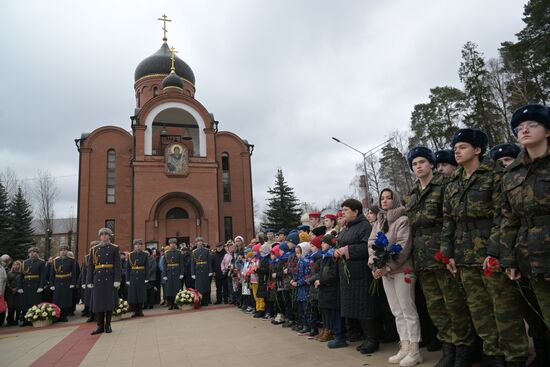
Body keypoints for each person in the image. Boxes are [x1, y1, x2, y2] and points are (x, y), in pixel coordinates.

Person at [441, 128, 528, 367]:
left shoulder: (495, 175)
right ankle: (494, 356)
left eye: (463, 147)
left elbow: (504, 216)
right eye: (455, 148)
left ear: (477, 150)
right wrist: (447, 253)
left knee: (504, 309)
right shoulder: (453, 183)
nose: (457, 151)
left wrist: (493, 251)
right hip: (464, 256)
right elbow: (449, 221)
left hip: (492, 254)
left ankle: (515, 357)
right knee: (480, 312)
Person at [406, 146, 475, 367]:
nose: (418, 167)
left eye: (422, 162)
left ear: (431, 164)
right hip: (423, 259)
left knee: (454, 305)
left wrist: (447, 253)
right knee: (436, 308)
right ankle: (448, 349)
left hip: (443, 255)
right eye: (415, 164)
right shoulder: (412, 194)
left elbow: (450, 221)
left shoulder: (445, 185)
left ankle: (463, 351)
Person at [500, 104, 550, 366]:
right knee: (541, 318)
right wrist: (509, 259)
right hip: (531, 257)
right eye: (519, 127)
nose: (524, 130)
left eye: (532, 125)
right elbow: (509, 220)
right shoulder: (511, 173)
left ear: (547, 130)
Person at [369, 188, 422, 366]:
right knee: (397, 311)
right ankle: (404, 346)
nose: (384, 201)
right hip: (385, 272)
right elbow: (371, 244)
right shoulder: (379, 221)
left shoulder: (402, 219)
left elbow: (403, 245)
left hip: (402, 271)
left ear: (395, 199)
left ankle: (414, 350)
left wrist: (388, 266)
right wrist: (375, 265)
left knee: (407, 309)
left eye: (388, 198)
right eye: (382, 198)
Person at [333, 198, 380, 352]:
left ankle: (372, 340)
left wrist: (346, 250)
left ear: (356, 211)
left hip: (361, 273)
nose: (343, 213)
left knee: (365, 308)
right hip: (349, 275)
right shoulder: (346, 228)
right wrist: (337, 251)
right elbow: (341, 243)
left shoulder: (364, 226)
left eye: (346, 210)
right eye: (343, 210)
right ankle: (366, 338)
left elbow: (367, 247)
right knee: (356, 309)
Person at [86, 228, 122, 335]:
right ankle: (100, 326)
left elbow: (118, 265)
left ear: (110, 236)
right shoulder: (94, 249)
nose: (104, 236)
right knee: (98, 303)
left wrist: (117, 280)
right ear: (99, 236)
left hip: (109, 278)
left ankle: (108, 325)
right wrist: (89, 280)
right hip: (98, 278)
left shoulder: (114, 248)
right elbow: (91, 266)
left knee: (108, 302)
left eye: (106, 234)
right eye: (102, 234)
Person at [18, 247, 46, 327]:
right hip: (26, 285)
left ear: (37, 253)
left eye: (34, 252)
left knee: (35, 303)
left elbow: (42, 275)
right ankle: (26, 320)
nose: (32, 254)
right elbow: (21, 276)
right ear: (28, 254)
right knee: (25, 303)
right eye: (30, 252)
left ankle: (34, 319)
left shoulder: (41, 262)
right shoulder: (24, 262)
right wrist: (19, 286)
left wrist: (41, 286)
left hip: (35, 285)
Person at [50, 244, 77, 322]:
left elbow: (74, 273)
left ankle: (64, 315)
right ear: (59, 252)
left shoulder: (71, 260)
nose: (63, 252)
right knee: (57, 299)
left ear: (67, 251)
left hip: (67, 281)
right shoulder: (55, 261)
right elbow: (52, 274)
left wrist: (73, 283)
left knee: (65, 299)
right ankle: (57, 315)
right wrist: (51, 284)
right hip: (57, 282)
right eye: (61, 250)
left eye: (65, 250)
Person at [290, 242, 311, 334]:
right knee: (300, 308)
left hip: (305, 289)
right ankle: (303, 324)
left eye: (299, 253)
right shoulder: (300, 261)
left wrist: (298, 283)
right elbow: (298, 274)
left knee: (306, 309)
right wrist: (293, 280)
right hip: (299, 289)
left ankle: (308, 326)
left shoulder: (306, 261)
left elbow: (307, 277)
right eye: (296, 253)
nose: (297, 255)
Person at [126, 239, 149, 317]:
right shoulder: (130, 255)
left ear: (142, 246)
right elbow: (128, 268)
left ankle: (140, 310)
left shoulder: (145, 255)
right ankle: (135, 311)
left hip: (141, 275)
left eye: (139, 244)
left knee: (141, 293)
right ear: (134, 246)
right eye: (136, 244)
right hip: (132, 276)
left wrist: (147, 277)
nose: (137, 246)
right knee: (133, 294)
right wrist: (127, 279)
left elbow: (147, 266)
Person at [161, 238, 184, 310]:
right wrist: (164, 275)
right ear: (169, 244)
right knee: (169, 289)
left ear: (175, 244)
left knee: (176, 289)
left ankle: (176, 304)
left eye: (174, 243)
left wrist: (181, 273)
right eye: (171, 244)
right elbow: (164, 265)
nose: (172, 245)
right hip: (169, 273)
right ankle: (171, 304)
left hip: (177, 272)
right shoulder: (166, 253)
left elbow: (181, 264)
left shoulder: (179, 252)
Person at [191, 237, 213, 306]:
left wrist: (210, 271)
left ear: (203, 242)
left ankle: (206, 301)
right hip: (198, 271)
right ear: (196, 243)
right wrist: (193, 273)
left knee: (206, 285)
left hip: (205, 270)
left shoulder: (206, 251)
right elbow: (193, 263)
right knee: (199, 287)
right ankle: (199, 300)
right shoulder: (194, 252)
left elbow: (209, 261)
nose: (199, 242)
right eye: (198, 241)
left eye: (201, 241)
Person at [6, 260, 22, 326]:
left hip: (18, 292)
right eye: (14, 265)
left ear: (20, 266)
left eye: (17, 265)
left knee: (18, 307)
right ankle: (10, 320)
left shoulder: (21, 274)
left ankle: (17, 320)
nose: (16, 266)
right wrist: (11, 289)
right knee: (11, 307)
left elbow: (22, 283)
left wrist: (17, 288)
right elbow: (7, 283)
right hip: (11, 293)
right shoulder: (9, 273)